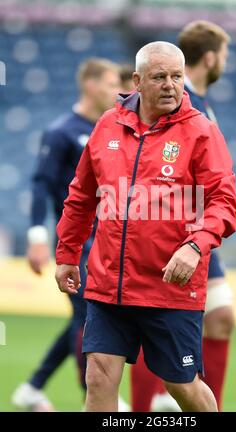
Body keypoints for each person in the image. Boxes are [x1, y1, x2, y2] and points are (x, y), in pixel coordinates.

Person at [55, 41, 236, 412]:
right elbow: (81, 196)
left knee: (182, 385)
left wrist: (195, 245)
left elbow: (224, 202)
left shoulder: (201, 132)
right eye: (160, 77)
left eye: (177, 76)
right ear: (137, 81)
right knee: (98, 377)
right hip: (108, 286)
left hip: (169, 288)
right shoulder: (108, 124)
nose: (171, 85)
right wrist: (67, 254)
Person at [11, 58, 126, 412]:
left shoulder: (112, 128)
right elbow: (42, 185)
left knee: (85, 316)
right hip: (76, 243)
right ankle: (93, 397)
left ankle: (34, 387)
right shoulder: (62, 131)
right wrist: (37, 236)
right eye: (110, 84)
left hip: (105, 240)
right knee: (91, 315)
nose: (116, 92)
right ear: (91, 86)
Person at [131, 21, 234, 412]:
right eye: (224, 54)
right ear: (210, 57)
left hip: (199, 233)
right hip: (171, 234)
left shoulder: (200, 105)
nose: (168, 83)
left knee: (221, 316)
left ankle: (178, 404)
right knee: (152, 324)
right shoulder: (174, 100)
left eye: (173, 74)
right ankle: (148, 407)